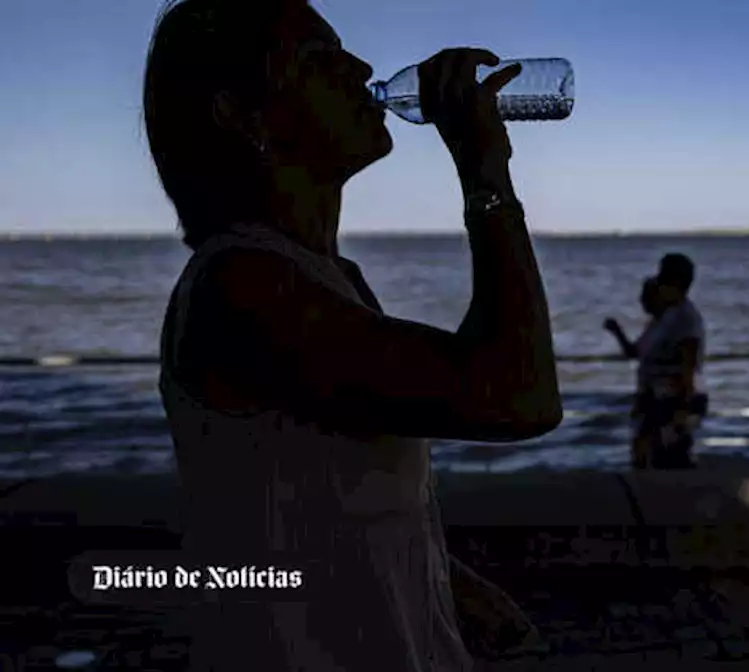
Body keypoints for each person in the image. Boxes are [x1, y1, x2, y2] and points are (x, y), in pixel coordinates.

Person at [145, 1, 560, 670]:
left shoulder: (328, 277)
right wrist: (485, 172)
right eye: (318, 57)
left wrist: (443, 578)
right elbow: (519, 395)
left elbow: (312, 489)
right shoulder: (243, 288)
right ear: (243, 115)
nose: (361, 67)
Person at [635, 254, 708, 469]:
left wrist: (683, 409)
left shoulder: (685, 318)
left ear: (674, 283)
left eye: (662, 279)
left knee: (671, 458)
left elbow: (688, 364)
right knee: (654, 454)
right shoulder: (670, 315)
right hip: (661, 397)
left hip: (675, 399)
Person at [603, 276, 666, 467]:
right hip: (648, 392)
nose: (642, 301)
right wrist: (617, 332)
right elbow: (634, 352)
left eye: (647, 297)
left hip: (659, 394)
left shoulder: (667, 327)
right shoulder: (653, 326)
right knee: (642, 441)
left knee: (648, 441)